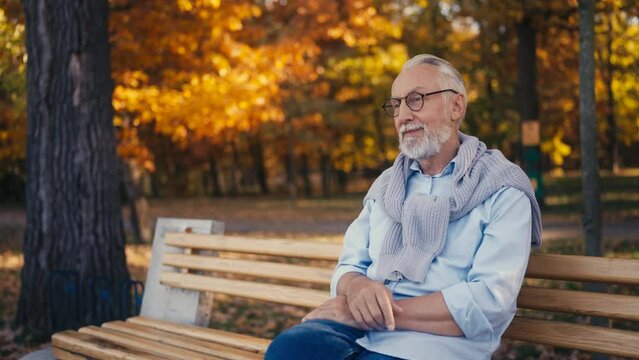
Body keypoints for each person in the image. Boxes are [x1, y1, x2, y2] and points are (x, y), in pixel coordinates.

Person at [264, 54, 542, 360]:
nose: (403, 115)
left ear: (456, 106)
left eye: (416, 99)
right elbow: (348, 266)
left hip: (436, 345)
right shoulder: (387, 186)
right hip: (361, 333)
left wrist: (375, 312)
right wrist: (356, 288)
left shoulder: (502, 188)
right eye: (396, 105)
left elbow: (490, 301)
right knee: (288, 349)